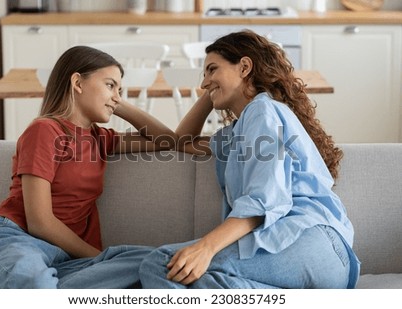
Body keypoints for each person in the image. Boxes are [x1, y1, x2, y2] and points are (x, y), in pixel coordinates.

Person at [139, 30, 361, 289]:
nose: (204, 82)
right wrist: (213, 90)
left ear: (244, 66)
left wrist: (206, 248)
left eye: (212, 69)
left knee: (163, 262)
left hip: (307, 240)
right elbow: (182, 141)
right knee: (203, 282)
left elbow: (263, 200)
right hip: (321, 259)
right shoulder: (240, 130)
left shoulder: (262, 111)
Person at [0, 45, 176, 288]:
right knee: (35, 280)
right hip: (17, 241)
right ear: (77, 82)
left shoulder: (100, 138)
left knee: (157, 263)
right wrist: (98, 258)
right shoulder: (44, 130)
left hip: (66, 259)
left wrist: (117, 102)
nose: (117, 94)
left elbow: (167, 140)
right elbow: (40, 222)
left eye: (120, 89)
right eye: (110, 85)